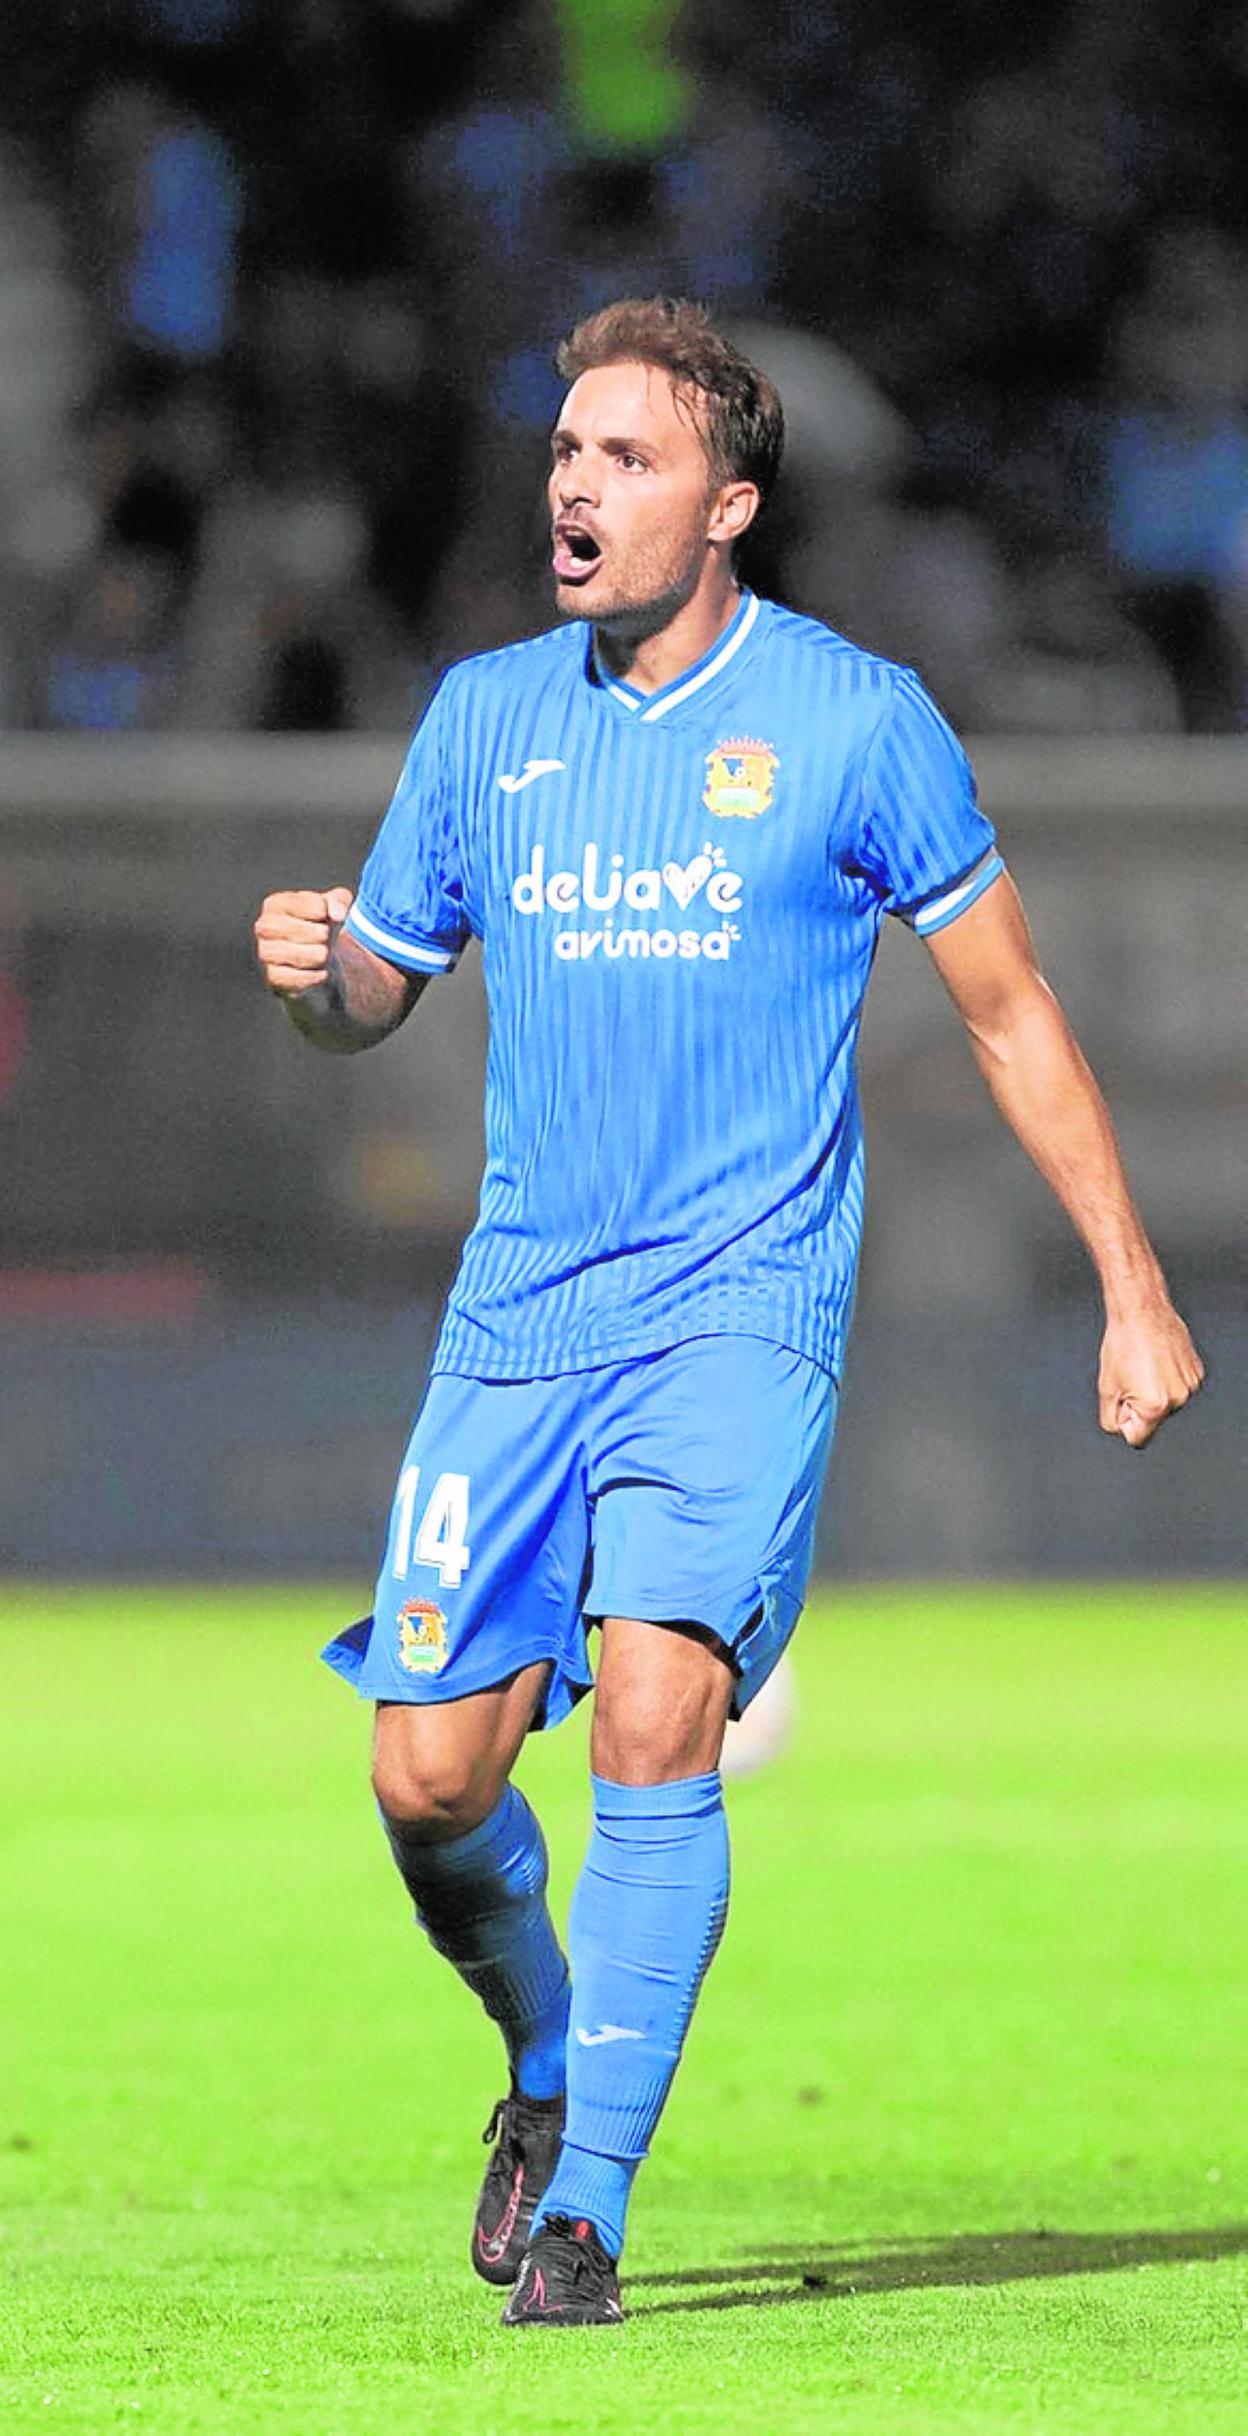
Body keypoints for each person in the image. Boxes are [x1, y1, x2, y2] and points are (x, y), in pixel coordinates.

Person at [252, 296, 1203, 2327]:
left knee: (664, 1715)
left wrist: (1133, 1287)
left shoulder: (858, 721)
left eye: (627, 457)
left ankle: (587, 2214)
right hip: (516, 1330)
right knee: (426, 1776)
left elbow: (1015, 1013)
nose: (574, 486)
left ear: (731, 504)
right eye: (567, 451)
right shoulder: (485, 721)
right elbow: (373, 1004)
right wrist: (318, 971)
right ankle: (538, 2057)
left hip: (742, 1318)